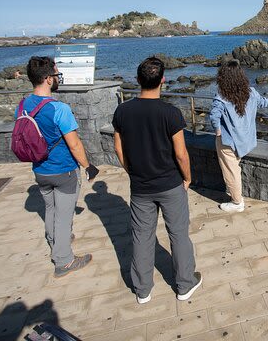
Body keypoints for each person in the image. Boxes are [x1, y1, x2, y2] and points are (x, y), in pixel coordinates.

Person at [112, 56, 202, 304]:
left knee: (141, 236)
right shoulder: (170, 113)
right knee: (179, 234)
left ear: (138, 79)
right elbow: (181, 154)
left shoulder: (123, 111)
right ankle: (184, 285)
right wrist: (188, 178)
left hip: (140, 186)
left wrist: (131, 170)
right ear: (163, 80)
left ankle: (142, 290)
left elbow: (119, 148)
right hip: (170, 184)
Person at [17, 56, 98, 277]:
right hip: (63, 170)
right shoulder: (58, 108)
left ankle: (55, 240)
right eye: (56, 75)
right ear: (47, 79)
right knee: (64, 215)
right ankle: (64, 261)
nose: (57, 78)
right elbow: (74, 143)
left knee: (50, 208)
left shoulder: (23, 105)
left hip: (40, 170)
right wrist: (88, 166)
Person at [210, 59, 268, 213]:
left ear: (223, 78)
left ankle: (237, 203)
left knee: (231, 172)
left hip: (229, 142)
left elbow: (214, 116)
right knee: (234, 169)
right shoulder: (251, 92)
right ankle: (236, 197)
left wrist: (218, 131)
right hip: (245, 140)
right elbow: (263, 102)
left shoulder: (221, 97)